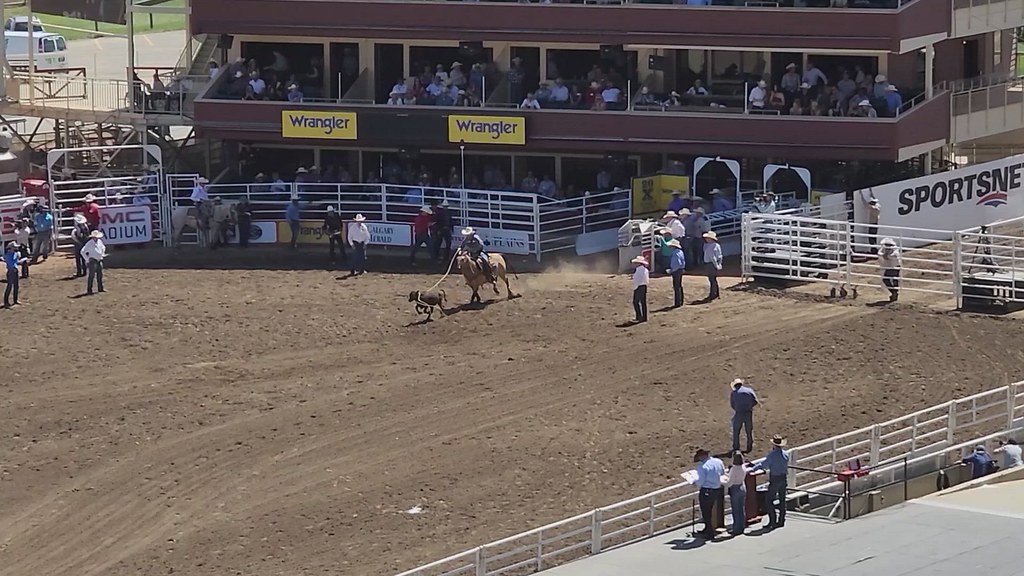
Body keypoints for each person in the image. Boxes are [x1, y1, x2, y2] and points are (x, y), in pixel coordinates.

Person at [752, 435, 790, 529]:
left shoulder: (772, 455)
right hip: (783, 478)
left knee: (769, 500)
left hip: (775, 478)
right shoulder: (785, 454)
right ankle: (781, 520)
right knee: (782, 500)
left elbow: (764, 464)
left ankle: (772, 520)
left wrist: (753, 468)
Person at [693, 448, 725, 539]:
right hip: (717, 489)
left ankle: (709, 532)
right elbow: (722, 472)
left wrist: (694, 482)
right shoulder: (718, 461)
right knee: (710, 510)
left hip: (707, 490)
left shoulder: (703, 466)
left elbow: (700, 481)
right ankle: (707, 529)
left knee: (706, 512)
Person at [724, 451, 751, 536]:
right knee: (741, 508)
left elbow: (730, 482)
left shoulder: (734, 469)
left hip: (735, 488)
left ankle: (736, 529)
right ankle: (741, 526)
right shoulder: (743, 467)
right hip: (742, 486)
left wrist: (724, 483)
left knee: (736, 510)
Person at [730, 378, 759, 453]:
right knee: (749, 430)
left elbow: (732, 405)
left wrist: (738, 408)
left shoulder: (733, 393)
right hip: (748, 413)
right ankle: (749, 446)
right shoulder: (749, 390)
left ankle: (736, 448)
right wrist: (749, 406)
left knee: (736, 431)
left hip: (739, 413)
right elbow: (755, 401)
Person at [81, 230, 107, 295]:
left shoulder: (99, 242)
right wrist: (87, 260)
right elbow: (82, 251)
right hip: (93, 260)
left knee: (100, 275)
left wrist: (102, 253)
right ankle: (89, 289)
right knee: (91, 276)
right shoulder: (89, 243)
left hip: (98, 260)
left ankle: (100, 288)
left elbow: (103, 247)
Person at [3, 242, 27, 308]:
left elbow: (15, 262)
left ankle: (15, 300)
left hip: (15, 271)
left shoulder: (15, 254)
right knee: (9, 286)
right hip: (11, 271)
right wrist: (21, 260)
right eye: (14, 247)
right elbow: (12, 263)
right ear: (11, 248)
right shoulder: (8, 255)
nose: (16, 248)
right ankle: (6, 302)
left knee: (16, 286)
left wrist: (20, 260)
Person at [878, 237, 901, 303]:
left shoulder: (895, 250)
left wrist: (886, 256)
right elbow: (879, 253)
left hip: (895, 266)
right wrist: (886, 256)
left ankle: (894, 292)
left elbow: (894, 256)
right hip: (889, 266)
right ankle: (894, 292)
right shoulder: (883, 249)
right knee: (886, 279)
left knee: (893, 279)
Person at [431, 199, 453, 265]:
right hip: (442, 230)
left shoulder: (442, 212)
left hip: (445, 230)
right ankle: (438, 256)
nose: (445, 207)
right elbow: (437, 222)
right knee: (438, 243)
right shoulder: (441, 213)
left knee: (446, 244)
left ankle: (444, 257)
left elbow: (450, 222)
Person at [703, 231, 723, 301]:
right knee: (713, 279)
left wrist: (716, 264)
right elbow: (719, 256)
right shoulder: (716, 245)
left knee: (712, 279)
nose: (706, 239)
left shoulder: (711, 246)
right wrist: (718, 264)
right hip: (712, 263)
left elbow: (713, 257)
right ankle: (716, 293)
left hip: (710, 264)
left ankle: (713, 294)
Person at [70, 213, 91, 277]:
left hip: (79, 244)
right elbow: (88, 235)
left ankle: (79, 272)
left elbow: (74, 237)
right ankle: (84, 271)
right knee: (84, 257)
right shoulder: (85, 227)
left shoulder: (76, 229)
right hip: (84, 243)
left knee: (78, 258)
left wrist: (79, 242)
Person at [668, 238, 686, 308]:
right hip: (680, 269)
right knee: (679, 285)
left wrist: (672, 270)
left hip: (676, 271)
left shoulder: (675, 253)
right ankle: (681, 301)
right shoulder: (680, 252)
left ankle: (677, 302)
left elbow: (677, 263)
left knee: (676, 286)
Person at [631, 255, 649, 323]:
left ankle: (639, 316)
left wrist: (635, 287)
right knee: (643, 302)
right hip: (644, 286)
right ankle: (644, 317)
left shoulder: (639, 270)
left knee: (635, 302)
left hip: (639, 287)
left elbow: (637, 280)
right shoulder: (645, 270)